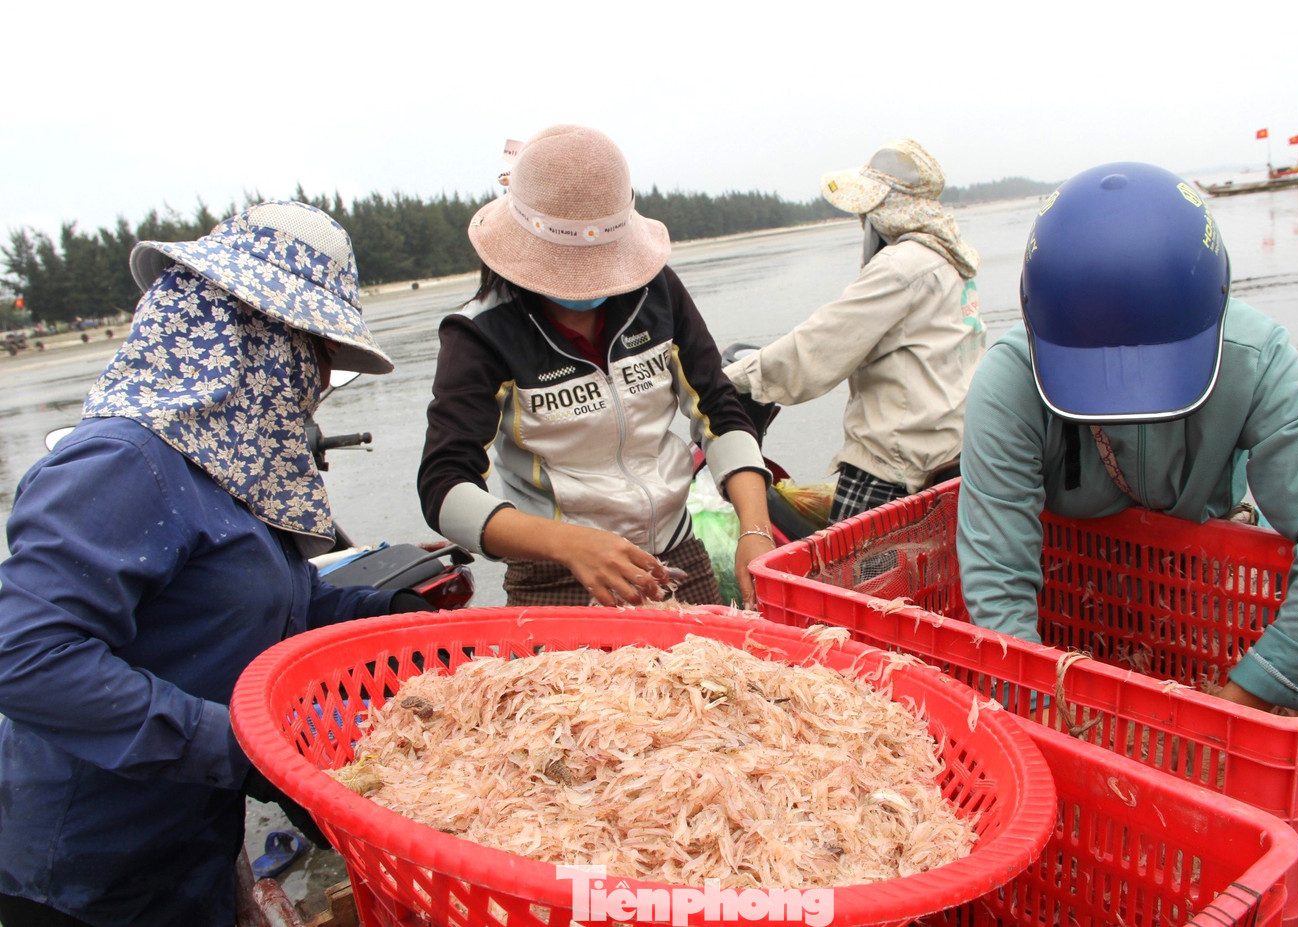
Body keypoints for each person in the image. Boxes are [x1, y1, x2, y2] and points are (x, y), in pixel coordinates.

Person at [0, 202, 432, 927]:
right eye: (315, 355)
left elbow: (271, 607)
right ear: (254, 342)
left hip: (186, 845)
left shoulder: (229, 469)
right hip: (86, 870)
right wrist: (240, 743)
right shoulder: (125, 462)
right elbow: (25, 656)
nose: (318, 383)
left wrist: (396, 624)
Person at [955, 161, 1298, 715]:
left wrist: (1242, 700)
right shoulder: (1010, 382)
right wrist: (1041, 716)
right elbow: (999, 580)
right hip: (1063, 595)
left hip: (1196, 602)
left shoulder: (1254, 360)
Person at [418, 125, 774, 608]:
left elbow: (718, 410)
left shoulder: (658, 293)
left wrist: (754, 530)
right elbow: (445, 487)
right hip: (555, 572)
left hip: (673, 556)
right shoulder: (481, 332)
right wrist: (570, 545)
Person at [722, 139, 987, 522]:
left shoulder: (901, 265)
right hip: (949, 453)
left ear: (881, 214)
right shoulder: (951, 260)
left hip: (892, 469)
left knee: (856, 577)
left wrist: (725, 381)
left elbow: (819, 346)